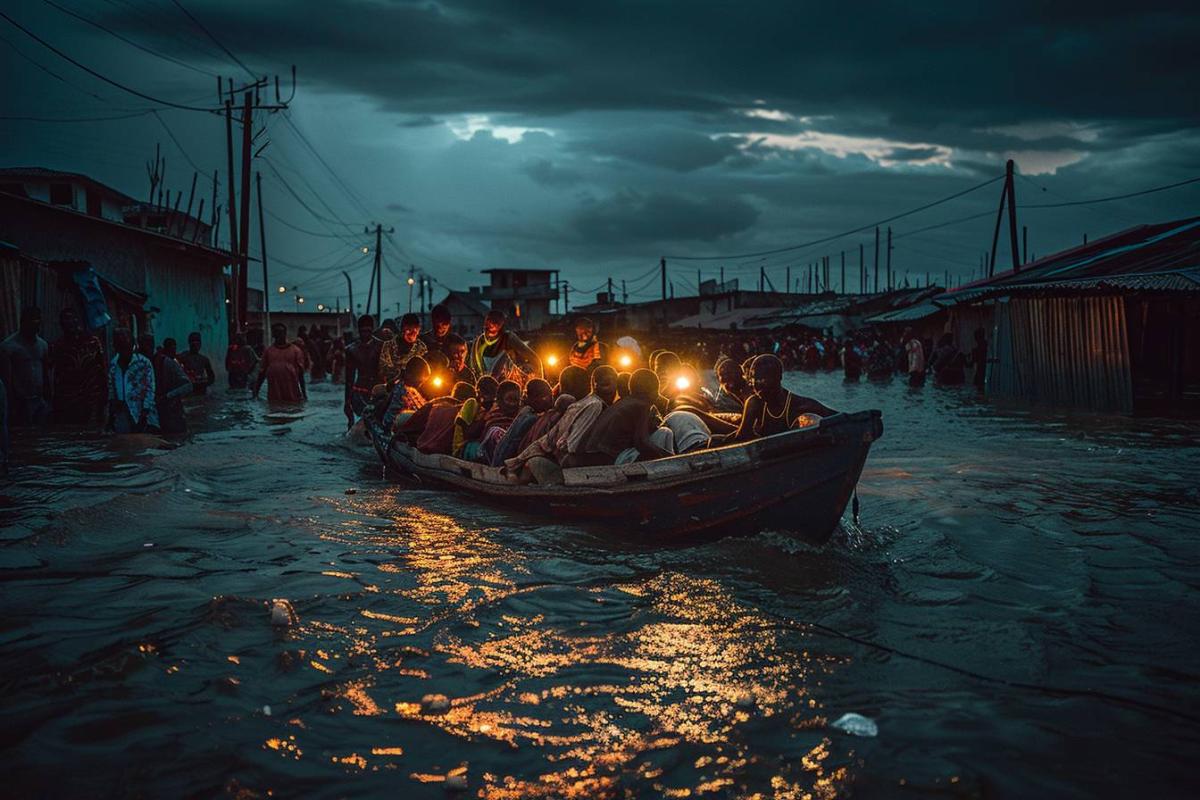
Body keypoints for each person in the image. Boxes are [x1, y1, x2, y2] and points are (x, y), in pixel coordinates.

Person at [504, 365, 617, 482]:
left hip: (547, 459)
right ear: (591, 385)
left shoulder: (576, 406)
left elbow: (547, 442)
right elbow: (570, 445)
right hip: (565, 464)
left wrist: (514, 463)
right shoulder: (593, 405)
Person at [712, 354, 835, 444]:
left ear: (779, 377)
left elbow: (839, 418)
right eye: (754, 378)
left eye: (764, 378)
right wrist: (721, 440)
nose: (758, 384)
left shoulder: (801, 405)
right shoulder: (754, 403)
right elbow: (742, 436)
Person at [568, 369, 672, 467]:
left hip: (590, 458)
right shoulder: (641, 405)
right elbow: (641, 442)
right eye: (656, 391)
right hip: (605, 460)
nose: (657, 396)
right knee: (664, 434)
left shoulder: (622, 402)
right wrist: (671, 457)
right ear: (652, 391)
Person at [48, 307, 107, 427]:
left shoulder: (92, 342)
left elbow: (102, 368)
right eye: (65, 321)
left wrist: (104, 395)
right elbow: (53, 374)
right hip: (67, 400)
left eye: (72, 320)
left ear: (77, 321)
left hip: (91, 398)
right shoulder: (57, 346)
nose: (69, 324)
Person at [0, 306, 51, 426]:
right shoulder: (9, 346)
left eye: (38, 324)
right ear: (23, 323)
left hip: (39, 400)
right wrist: (11, 402)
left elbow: (45, 372)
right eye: (32, 324)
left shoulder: (43, 345)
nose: (35, 328)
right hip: (20, 402)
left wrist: (48, 397)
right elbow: (6, 378)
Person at [489, 378, 554, 466]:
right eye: (545, 397)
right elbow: (512, 449)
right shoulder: (531, 419)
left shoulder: (525, 412)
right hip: (505, 465)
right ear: (534, 398)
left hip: (501, 462)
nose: (550, 401)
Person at [107, 327, 158, 433]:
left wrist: (144, 413)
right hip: (122, 414)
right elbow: (111, 390)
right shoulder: (113, 364)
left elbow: (150, 389)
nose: (125, 351)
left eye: (127, 346)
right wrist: (111, 415)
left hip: (143, 413)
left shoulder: (144, 363)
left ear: (132, 345)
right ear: (116, 347)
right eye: (121, 347)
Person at [469, 309, 542, 382]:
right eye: (488, 321)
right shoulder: (478, 342)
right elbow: (474, 366)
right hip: (485, 383)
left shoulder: (508, 338)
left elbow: (534, 359)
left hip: (506, 383)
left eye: (494, 322)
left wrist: (539, 382)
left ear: (500, 325)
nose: (490, 325)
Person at [344, 315, 383, 425]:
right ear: (359, 330)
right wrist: (347, 402)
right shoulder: (351, 349)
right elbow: (349, 378)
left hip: (377, 391)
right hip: (359, 391)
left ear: (372, 330)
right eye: (363, 331)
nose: (365, 334)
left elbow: (385, 372)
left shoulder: (381, 346)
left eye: (368, 331)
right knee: (361, 423)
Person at [253, 323, 307, 403]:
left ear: (285, 334)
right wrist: (256, 392)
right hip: (274, 397)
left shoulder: (296, 351)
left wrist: (304, 393)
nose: (279, 335)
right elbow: (262, 373)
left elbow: (300, 375)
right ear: (273, 335)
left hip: (292, 396)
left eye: (280, 333)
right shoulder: (268, 352)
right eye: (276, 333)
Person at [153, 337, 193, 436]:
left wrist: (168, 396)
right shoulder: (146, 362)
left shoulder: (170, 363)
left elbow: (188, 385)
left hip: (171, 411)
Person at [452, 375, 499, 459]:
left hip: (475, 446)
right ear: (479, 392)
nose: (489, 399)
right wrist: (485, 417)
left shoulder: (486, 408)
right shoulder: (472, 403)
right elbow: (468, 434)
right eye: (487, 394)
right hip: (462, 448)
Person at [477, 380, 523, 463]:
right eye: (509, 399)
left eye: (516, 400)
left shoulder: (521, 419)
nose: (513, 404)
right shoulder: (492, 416)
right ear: (499, 400)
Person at [378, 313, 427, 387]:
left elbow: (424, 370)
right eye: (409, 329)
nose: (412, 333)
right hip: (391, 388)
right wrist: (399, 375)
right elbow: (384, 369)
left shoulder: (421, 348)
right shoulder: (389, 346)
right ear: (402, 329)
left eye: (415, 329)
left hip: (415, 389)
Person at [382, 356, 430, 431]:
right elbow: (389, 420)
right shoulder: (401, 391)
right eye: (421, 381)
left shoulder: (411, 390)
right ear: (413, 375)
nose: (421, 384)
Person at [174, 332, 216, 396]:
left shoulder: (204, 359)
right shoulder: (182, 357)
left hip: (200, 389)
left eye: (197, 344)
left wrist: (203, 383)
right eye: (193, 344)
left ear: (200, 345)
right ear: (190, 344)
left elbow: (211, 377)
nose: (195, 347)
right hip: (189, 388)